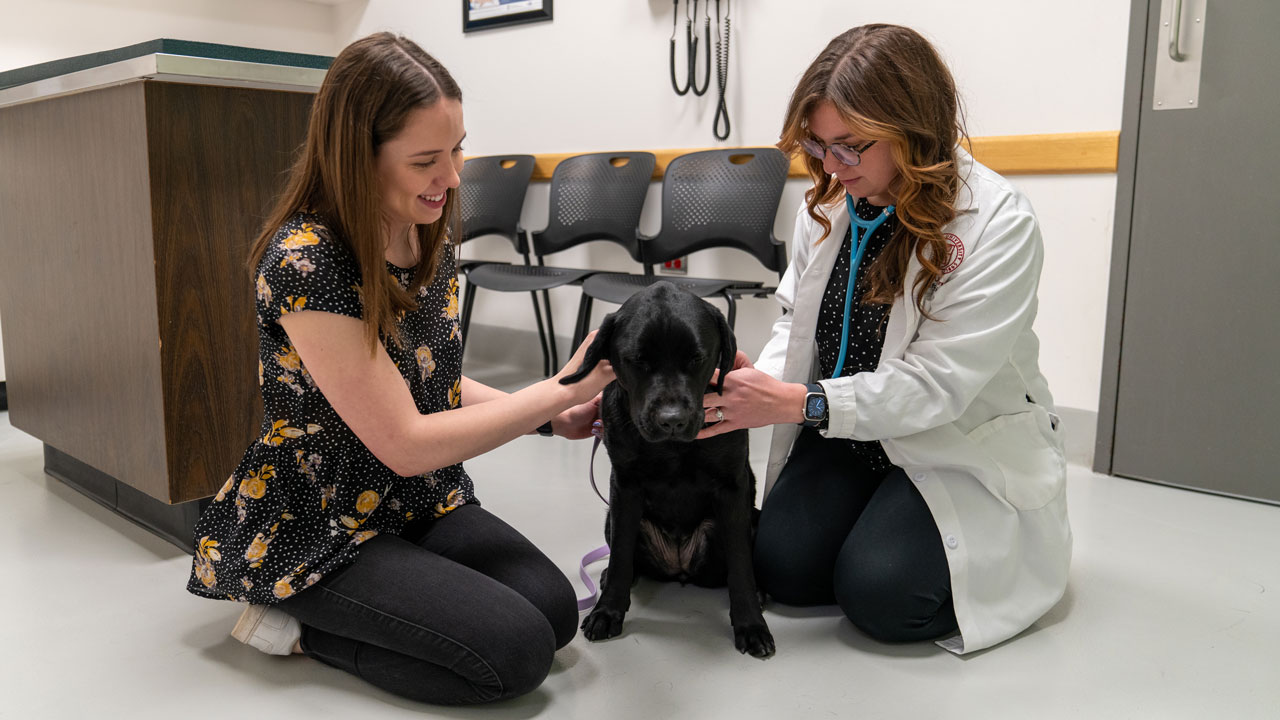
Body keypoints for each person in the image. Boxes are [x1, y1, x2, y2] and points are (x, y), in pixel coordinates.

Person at [185, 32, 614, 705]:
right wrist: (557, 390)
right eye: (424, 161)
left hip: (410, 499)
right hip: (319, 519)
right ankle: (296, 625)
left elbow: (426, 381)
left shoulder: (427, 226)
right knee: (516, 654)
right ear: (358, 158)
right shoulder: (308, 261)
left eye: (458, 149)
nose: (451, 177)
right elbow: (405, 441)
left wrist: (550, 416)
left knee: (554, 611)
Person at [698, 24, 1071, 655]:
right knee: (783, 568)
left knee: (883, 596)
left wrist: (800, 405)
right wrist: (747, 385)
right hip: (851, 433)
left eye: (851, 146)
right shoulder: (831, 206)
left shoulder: (997, 223)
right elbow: (796, 322)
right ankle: (873, 507)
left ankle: (911, 531)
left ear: (912, 126)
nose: (831, 167)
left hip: (951, 440)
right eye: (818, 146)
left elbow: (938, 384)